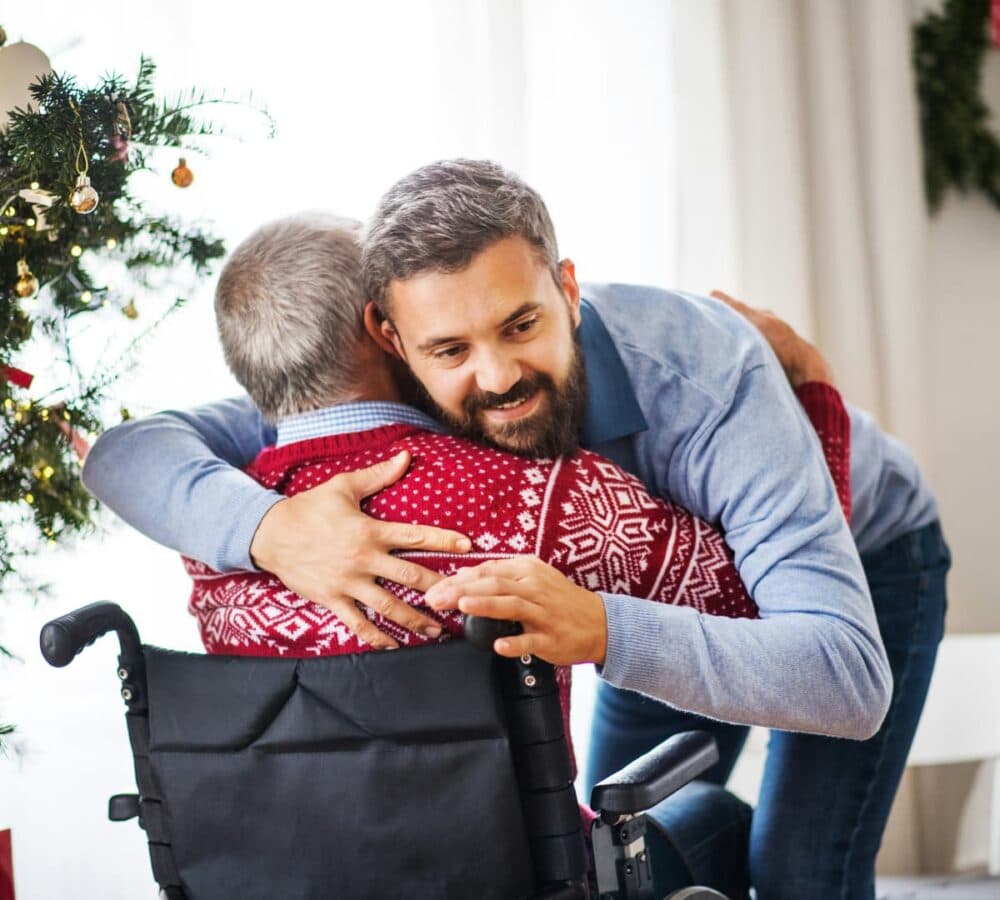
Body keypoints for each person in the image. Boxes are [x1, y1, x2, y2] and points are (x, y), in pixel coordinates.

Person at [81, 160, 948, 899]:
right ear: (390, 339)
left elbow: (844, 677)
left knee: (798, 869)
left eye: (522, 325)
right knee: (620, 820)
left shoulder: (701, 376)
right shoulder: (392, 375)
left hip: (854, 568)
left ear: (567, 290)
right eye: (449, 350)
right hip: (621, 591)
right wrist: (270, 529)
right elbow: (126, 451)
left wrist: (607, 628)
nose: (494, 377)